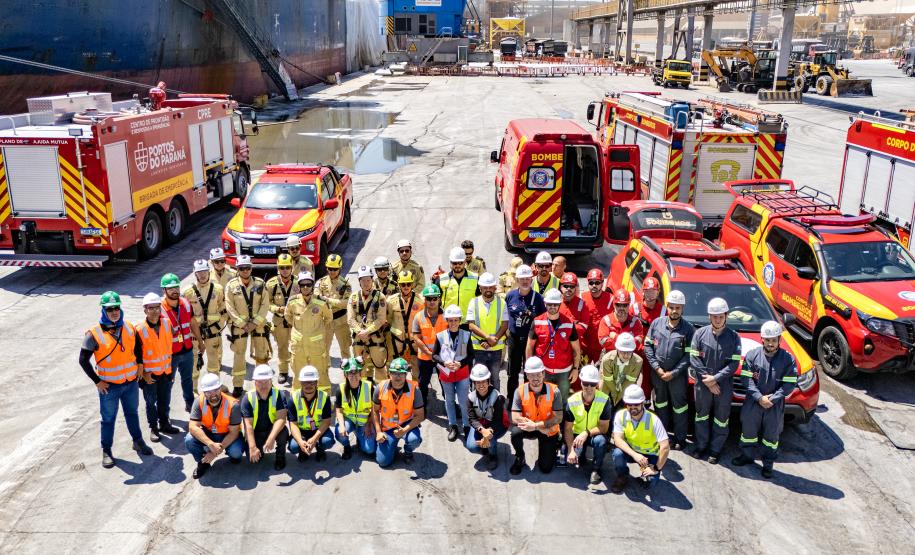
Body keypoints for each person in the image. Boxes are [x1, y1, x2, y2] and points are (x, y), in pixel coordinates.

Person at [80, 291, 153, 468]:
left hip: (130, 383)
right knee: (108, 419)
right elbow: (83, 360)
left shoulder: (128, 327)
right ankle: (106, 450)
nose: (114, 312)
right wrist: (97, 381)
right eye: (110, 309)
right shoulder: (94, 334)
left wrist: (140, 367)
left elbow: (138, 348)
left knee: (132, 413)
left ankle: (138, 441)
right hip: (109, 387)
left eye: (117, 308)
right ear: (103, 310)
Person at [732, 321, 798, 478]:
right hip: (753, 403)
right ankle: (746, 456)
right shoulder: (752, 355)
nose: (770, 343)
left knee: (771, 437)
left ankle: (768, 465)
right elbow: (746, 380)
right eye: (767, 340)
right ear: (762, 339)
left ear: (779, 340)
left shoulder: (787, 359)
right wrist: (759, 397)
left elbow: (789, 384)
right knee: (748, 432)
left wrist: (772, 399)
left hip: (774, 406)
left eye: (774, 340)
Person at [690, 297, 742, 464]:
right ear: (709, 316)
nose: (717, 319)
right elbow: (694, 358)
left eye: (720, 316)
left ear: (726, 316)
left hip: (723, 385)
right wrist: (708, 380)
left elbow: (734, 364)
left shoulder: (734, 338)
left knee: (721, 418)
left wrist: (716, 379)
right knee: (701, 416)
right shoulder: (699, 334)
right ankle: (701, 446)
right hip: (703, 384)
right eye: (714, 316)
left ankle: (715, 450)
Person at [643, 290, 693, 450]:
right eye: (672, 307)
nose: (674, 311)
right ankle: (662, 436)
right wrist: (657, 368)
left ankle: (680, 438)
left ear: (682, 309)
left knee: (680, 408)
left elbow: (689, 355)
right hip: (658, 375)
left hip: (677, 377)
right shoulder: (657, 324)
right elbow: (647, 346)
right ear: (667, 307)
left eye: (678, 308)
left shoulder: (688, 329)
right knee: (660, 405)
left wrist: (674, 372)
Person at [136, 292, 179, 442]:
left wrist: (171, 369)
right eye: (150, 308)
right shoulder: (139, 330)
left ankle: (164, 424)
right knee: (151, 403)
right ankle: (153, 428)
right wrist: (143, 374)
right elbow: (136, 356)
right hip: (150, 375)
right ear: (145, 310)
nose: (154, 311)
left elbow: (169, 347)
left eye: (157, 307)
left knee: (164, 400)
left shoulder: (167, 324)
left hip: (166, 372)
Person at [224, 255, 270, 398]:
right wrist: (243, 324)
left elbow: (265, 304)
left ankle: (263, 382)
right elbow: (229, 307)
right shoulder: (231, 286)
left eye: (247, 268)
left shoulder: (260, 283)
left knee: (262, 354)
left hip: (257, 324)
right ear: (237, 269)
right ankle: (238, 385)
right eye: (242, 268)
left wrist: (255, 322)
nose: (245, 271)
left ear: (251, 268)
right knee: (239, 355)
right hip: (240, 326)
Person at [611, 385, 670, 494]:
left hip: (650, 455)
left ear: (643, 402)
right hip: (632, 452)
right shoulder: (621, 415)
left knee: (651, 482)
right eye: (629, 404)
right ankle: (622, 475)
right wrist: (635, 455)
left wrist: (656, 468)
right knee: (617, 453)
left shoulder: (654, 420)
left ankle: (646, 476)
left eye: (636, 404)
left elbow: (665, 447)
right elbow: (617, 439)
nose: (633, 407)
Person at [509, 357, 563, 476]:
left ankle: (552, 447)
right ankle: (520, 456)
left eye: (538, 374)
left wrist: (536, 426)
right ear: (527, 375)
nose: (535, 378)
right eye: (531, 375)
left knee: (546, 468)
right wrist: (534, 426)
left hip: (547, 430)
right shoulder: (520, 391)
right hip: (532, 427)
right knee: (515, 433)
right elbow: (514, 416)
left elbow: (558, 417)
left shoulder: (555, 391)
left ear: (543, 374)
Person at [526, 288, 581, 404]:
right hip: (543, 371)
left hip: (564, 372)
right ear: (545, 303)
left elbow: (576, 349)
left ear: (560, 304)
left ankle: (560, 422)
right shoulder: (537, 322)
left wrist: (575, 369)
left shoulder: (568, 323)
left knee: (562, 402)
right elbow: (530, 347)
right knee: (542, 401)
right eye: (549, 304)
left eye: (555, 304)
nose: (552, 307)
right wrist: (531, 369)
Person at [185, 373, 244, 479]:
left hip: (228, 435)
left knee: (236, 452)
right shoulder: (198, 401)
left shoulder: (233, 405)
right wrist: (210, 444)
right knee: (189, 440)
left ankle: (232, 455)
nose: (213, 394)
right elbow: (192, 427)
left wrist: (213, 453)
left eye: (216, 390)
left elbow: (234, 433)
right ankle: (203, 463)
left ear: (220, 388)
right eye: (208, 391)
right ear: (204, 392)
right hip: (209, 434)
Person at [161, 273, 203, 412]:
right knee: (167, 384)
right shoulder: (159, 308)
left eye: (176, 287)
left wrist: (201, 342)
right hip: (170, 354)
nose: (175, 291)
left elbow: (192, 322)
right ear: (164, 290)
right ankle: (164, 413)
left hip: (187, 350)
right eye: (171, 288)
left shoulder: (185, 303)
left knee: (188, 380)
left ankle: (190, 404)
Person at [504, 264, 546, 404]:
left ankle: (530, 401)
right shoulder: (510, 296)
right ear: (517, 279)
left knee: (531, 372)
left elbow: (543, 320)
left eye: (527, 278)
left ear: (531, 279)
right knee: (513, 372)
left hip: (531, 341)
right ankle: (512, 400)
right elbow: (504, 316)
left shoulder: (538, 298)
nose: (525, 281)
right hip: (514, 340)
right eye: (522, 278)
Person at [564, 365, 612, 484]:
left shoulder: (604, 400)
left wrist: (586, 433)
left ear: (597, 383)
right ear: (581, 383)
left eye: (592, 383)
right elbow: (568, 428)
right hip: (577, 436)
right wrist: (571, 450)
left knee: (600, 441)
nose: (589, 387)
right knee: (567, 455)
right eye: (586, 383)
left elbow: (604, 428)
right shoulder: (572, 401)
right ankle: (580, 455)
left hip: (593, 435)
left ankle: (596, 469)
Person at [373, 358, 425, 467]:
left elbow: (420, 416)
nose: (397, 376)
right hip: (388, 428)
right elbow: (375, 411)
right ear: (389, 374)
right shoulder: (380, 387)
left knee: (414, 439)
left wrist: (405, 430)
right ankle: (392, 446)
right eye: (394, 373)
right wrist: (378, 432)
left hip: (406, 424)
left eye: (401, 373)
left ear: (406, 374)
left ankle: (408, 451)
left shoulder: (414, 389)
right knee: (382, 462)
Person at [433, 304, 475, 441]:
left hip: (462, 373)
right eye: (450, 320)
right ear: (447, 320)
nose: (453, 323)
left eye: (455, 320)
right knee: (449, 401)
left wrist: (461, 364)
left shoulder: (466, 335)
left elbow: (471, 355)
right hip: (446, 374)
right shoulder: (440, 336)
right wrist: (444, 363)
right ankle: (453, 426)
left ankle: (467, 425)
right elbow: (434, 355)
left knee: (463, 401)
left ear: (459, 320)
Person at [286, 271, 333, 389]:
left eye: (308, 284)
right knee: (298, 376)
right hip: (298, 347)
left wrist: (317, 330)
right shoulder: (292, 302)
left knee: (321, 375)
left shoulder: (321, 302)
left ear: (312, 285)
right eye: (302, 285)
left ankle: (324, 402)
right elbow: (288, 317)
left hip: (316, 346)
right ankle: (297, 403)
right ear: (299, 286)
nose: (305, 287)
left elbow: (328, 318)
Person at [184, 258, 226, 388]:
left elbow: (223, 310)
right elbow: (184, 315)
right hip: (194, 334)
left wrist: (218, 327)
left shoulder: (218, 289)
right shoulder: (187, 292)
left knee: (214, 363)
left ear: (209, 272)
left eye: (204, 272)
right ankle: (193, 389)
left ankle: (215, 387)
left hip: (213, 332)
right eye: (199, 272)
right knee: (194, 362)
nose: (202, 275)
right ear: (195, 274)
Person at [240, 365, 289, 470]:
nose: (263, 385)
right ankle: (258, 449)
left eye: (266, 381)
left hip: (272, 428)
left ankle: (280, 457)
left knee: (283, 432)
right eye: (260, 382)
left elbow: (281, 419)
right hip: (256, 431)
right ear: (255, 383)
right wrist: (252, 447)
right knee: (254, 459)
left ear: (271, 381)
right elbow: (248, 426)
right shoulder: (248, 398)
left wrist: (271, 438)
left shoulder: (279, 394)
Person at [466, 272, 508, 392]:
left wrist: (492, 340)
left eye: (490, 287)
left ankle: (496, 404)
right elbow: (471, 325)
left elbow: (504, 325)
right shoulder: (473, 302)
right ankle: (476, 405)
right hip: (478, 348)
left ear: (495, 288)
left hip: (496, 349)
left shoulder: (502, 303)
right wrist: (487, 339)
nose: (488, 290)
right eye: (485, 287)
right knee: (478, 378)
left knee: (495, 379)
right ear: (480, 288)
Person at [348, 265, 389, 382]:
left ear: (372, 280)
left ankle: (381, 396)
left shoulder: (380, 297)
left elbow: (381, 319)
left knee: (380, 368)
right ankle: (366, 396)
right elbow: (350, 319)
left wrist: (367, 331)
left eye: (368, 280)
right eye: (363, 280)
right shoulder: (354, 297)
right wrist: (360, 332)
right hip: (359, 340)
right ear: (359, 282)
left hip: (375, 339)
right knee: (361, 369)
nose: (366, 283)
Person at [286, 366, 335, 462]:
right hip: (302, 431)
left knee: (327, 442)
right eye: (305, 382)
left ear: (317, 382)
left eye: (312, 382)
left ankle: (320, 450)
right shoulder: (293, 398)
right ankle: (303, 450)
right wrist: (300, 442)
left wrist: (314, 439)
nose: (308, 385)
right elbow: (293, 424)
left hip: (318, 429)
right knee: (294, 446)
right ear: (300, 383)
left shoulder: (324, 397)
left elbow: (326, 422)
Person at [411, 283, 448, 405]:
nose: (432, 301)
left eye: (434, 298)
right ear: (425, 300)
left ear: (439, 299)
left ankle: (450, 408)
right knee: (423, 384)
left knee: (445, 383)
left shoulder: (447, 316)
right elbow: (416, 337)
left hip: (442, 357)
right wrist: (428, 352)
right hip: (425, 357)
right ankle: (422, 407)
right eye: (428, 299)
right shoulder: (418, 317)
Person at [333, 358, 377, 458]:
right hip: (349, 420)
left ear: (360, 373)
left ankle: (359, 436)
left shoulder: (369, 387)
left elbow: (374, 410)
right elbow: (339, 410)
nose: (353, 376)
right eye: (350, 373)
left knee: (370, 450)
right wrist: (342, 426)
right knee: (340, 433)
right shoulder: (340, 389)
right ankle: (347, 447)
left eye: (356, 372)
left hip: (364, 422)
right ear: (346, 375)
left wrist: (369, 424)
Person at [466, 364, 507, 470]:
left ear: (489, 381)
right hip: (481, 425)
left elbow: (498, 421)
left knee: (490, 439)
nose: (481, 385)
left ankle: (493, 456)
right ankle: (485, 447)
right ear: (474, 383)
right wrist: (481, 429)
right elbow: (472, 418)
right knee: (471, 446)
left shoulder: (498, 397)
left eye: (484, 381)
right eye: (478, 382)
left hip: (497, 426)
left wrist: (487, 434)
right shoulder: (471, 398)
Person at [266, 254, 299, 386]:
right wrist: (278, 309)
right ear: (278, 268)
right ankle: (283, 372)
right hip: (279, 321)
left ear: (292, 268)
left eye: (287, 267)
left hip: (296, 320)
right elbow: (266, 303)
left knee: (297, 347)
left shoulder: (299, 282)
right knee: (282, 347)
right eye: (282, 267)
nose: (285, 270)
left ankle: (297, 371)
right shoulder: (271, 284)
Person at [387, 270, 424, 380]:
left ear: (412, 284)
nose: (406, 287)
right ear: (399, 285)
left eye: (408, 284)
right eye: (403, 284)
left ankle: (415, 391)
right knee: (396, 368)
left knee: (416, 369)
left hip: (414, 341)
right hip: (397, 341)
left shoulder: (420, 301)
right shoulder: (391, 301)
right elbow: (388, 320)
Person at [315, 253, 353, 359]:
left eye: (335, 269)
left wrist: (328, 300)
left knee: (345, 349)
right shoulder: (321, 283)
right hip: (326, 320)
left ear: (339, 269)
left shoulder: (345, 285)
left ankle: (348, 373)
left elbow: (347, 303)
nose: (332, 271)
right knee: (324, 349)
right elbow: (315, 298)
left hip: (341, 320)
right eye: (330, 269)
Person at [633, 277, 664, 399]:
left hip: (652, 352)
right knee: (630, 379)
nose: (650, 295)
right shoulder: (635, 308)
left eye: (653, 291)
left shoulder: (663, 311)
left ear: (658, 292)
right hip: (635, 351)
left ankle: (645, 401)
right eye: (648, 291)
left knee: (647, 380)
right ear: (643, 292)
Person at [598, 333, 643, 409]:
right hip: (608, 384)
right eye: (623, 351)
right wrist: (615, 394)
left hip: (625, 386)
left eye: (629, 352)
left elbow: (630, 381)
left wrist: (619, 396)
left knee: (622, 408)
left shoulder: (638, 361)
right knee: (603, 405)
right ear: (617, 349)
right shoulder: (607, 359)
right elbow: (608, 379)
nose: (626, 355)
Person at [435, 246, 480, 323]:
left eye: (460, 263)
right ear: (450, 263)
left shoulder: (476, 279)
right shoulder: (441, 280)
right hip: (447, 322)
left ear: (465, 262)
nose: (457, 265)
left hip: (468, 323)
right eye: (455, 263)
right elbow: (435, 302)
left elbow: (482, 302)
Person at [559, 272, 593, 366]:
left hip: (576, 347)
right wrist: (573, 325)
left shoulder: (582, 304)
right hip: (558, 347)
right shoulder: (555, 302)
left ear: (576, 288)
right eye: (566, 286)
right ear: (561, 287)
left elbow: (583, 326)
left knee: (576, 378)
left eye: (572, 286)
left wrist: (563, 328)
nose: (568, 289)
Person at [597, 288, 644, 356]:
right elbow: (603, 342)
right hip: (610, 359)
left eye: (625, 305)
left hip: (629, 360)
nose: (621, 308)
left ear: (629, 305)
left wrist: (616, 337)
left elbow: (638, 342)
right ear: (613, 304)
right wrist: (628, 342)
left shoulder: (636, 322)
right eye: (618, 305)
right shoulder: (606, 320)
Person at [581, 269, 613, 364]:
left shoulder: (611, 299)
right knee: (583, 373)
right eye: (591, 283)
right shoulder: (582, 297)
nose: (594, 285)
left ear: (602, 283)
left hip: (602, 347)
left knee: (602, 376)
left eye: (597, 282)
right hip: (585, 346)